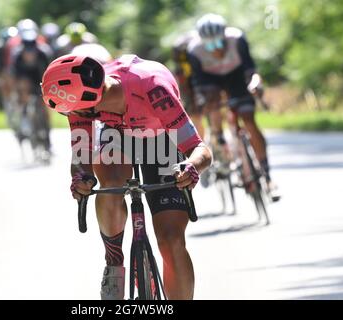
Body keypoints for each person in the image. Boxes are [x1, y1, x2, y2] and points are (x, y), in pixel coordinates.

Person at [41, 54, 212, 300]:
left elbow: (199, 149)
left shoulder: (154, 88)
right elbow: (81, 158)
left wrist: (190, 166)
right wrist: (82, 178)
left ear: (90, 102)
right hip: (117, 137)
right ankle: (113, 260)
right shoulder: (82, 101)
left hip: (161, 138)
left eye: (72, 112)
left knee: (171, 241)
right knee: (110, 182)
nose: (72, 116)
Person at [187, 13, 278, 195]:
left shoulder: (237, 39)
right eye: (210, 45)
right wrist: (202, 101)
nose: (215, 50)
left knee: (249, 119)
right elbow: (198, 84)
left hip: (236, 76)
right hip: (210, 79)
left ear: (225, 36)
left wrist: (255, 83)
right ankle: (219, 141)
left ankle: (267, 176)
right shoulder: (194, 49)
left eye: (219, 43)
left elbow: (252, 70)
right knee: (211, 103)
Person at [11, 26, 54, 155]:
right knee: (23, 92)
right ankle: (24, 117)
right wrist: (20, 94)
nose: (29, 54)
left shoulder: (44, 53)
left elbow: (50, 73)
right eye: (27, 51)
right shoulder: (17, 55)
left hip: (41, 77)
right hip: (25, 80)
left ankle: (47, 141)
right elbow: (15, 77)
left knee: (44, 107)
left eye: (32, 50)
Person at [172, 30, 205, 138]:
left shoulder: (179, 49)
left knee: (195, 113)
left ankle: (203, 141)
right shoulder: (197, 45)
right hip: (194, 79)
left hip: (189, 79)